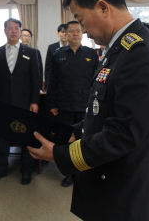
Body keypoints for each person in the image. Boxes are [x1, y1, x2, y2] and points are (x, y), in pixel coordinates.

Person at [28, 0, 149, 221]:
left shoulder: (141, 54)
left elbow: (124, 134)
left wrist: (61, 155)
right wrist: (77, 130)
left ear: (104, 8)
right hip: (110, 181)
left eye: (81, 19)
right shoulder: (117, 49)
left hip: (126, 194)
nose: (81, 30)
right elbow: (104, 109)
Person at [0, 18, 40, 185]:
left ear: (20, 31)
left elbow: (36, 79)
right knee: (3, 137)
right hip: (2, 102)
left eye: (16, 28)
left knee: (26, 136)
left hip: (24, 101)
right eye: (10, 28)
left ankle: (26, 170)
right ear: (5, 31)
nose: (13, 31)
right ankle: (1, 168)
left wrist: (34, 101)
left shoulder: (31, 52)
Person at [47, 20, 98, 187]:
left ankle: (84, 172)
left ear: (82, 33)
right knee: (67, 140)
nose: (75, 34)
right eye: (71, 31)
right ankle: (69, 173)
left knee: (85, 139)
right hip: (64, 104)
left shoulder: (91, 54)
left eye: (78, 31)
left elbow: (97, 82)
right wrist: (53, 103)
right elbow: (52, 81)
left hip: (85, 104)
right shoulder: (57, 54)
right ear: (65, 34)